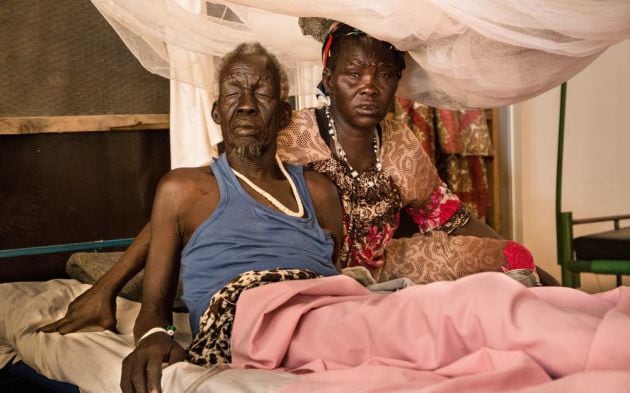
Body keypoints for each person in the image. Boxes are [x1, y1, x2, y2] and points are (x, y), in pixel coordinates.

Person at [117, 43, 630, 393]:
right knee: (457, 317)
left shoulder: (317, 190)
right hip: (259, 314)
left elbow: (342, 265)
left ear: (281, 114)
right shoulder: (184, 189)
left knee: (470, 301)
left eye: (262, 94)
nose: (247, 104)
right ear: (215, 110)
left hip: (346, 293)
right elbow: (157, 308)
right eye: (234, 93)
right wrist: (134, 317)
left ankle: (600, 327)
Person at [39, 22, 553, 336]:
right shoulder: (288, 131)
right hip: (293, 268)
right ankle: (107, 275)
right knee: (185, 277)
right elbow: (197, 199)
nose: (368, 87)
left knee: (503, 266)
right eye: (354, 74)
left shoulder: (399, 143)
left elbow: (452, 216)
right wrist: (110, 286)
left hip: (367, 272)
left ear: (398, 83)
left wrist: (519, 256)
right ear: (328, 80)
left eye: (383, 76)